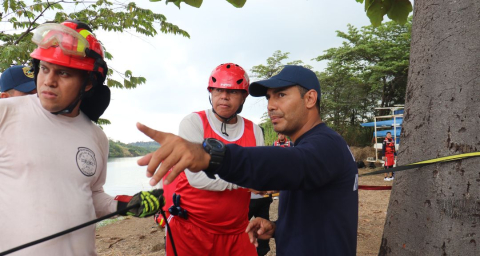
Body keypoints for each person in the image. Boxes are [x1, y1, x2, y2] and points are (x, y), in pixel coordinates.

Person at [136, 65, 359, 255]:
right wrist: (278, 227)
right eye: (269, 97)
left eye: (281, 95)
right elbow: (315, 210)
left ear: (309, 98)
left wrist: (211, 156)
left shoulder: (325, 145)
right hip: (195, 227)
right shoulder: (314, 144)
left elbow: (289, 164)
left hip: (237, 231)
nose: (271, 105)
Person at [0, 21, 161, 256]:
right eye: (44, 68)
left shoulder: (96, 137)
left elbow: (92, 196)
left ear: (88, 83)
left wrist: (125, 206)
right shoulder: (6, 113)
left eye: (63, 72)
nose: (49, 81)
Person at [160, 63, 263, 256]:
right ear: (211, 93)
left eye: (232, 91)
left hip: (237, 230)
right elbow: (197, 178)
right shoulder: (193, 122)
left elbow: (258, 176)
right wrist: (244, 182)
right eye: (218, 90)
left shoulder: (254, 131)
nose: (224, 96)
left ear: (244, 96)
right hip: (192, 229)